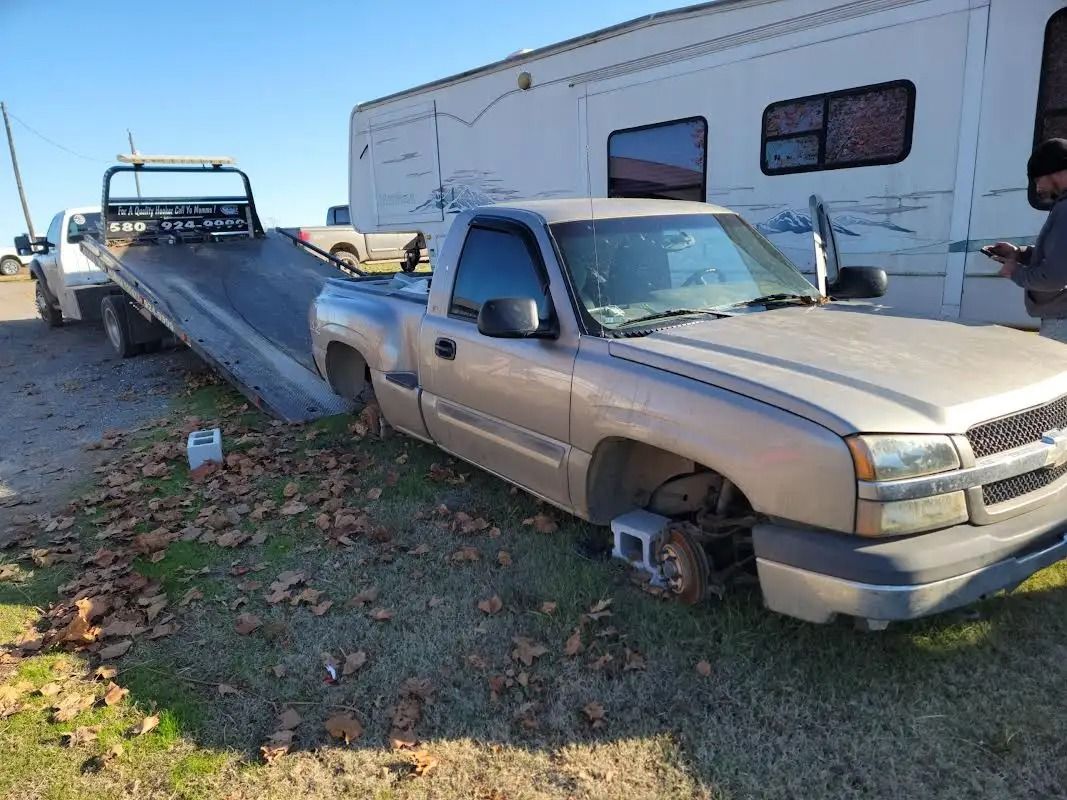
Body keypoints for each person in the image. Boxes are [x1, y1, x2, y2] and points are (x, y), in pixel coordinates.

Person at [989, 138, 1067, 342]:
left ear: (1055, 172)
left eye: (1037, 180)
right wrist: (1020, 254)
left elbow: (1055, 277)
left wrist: (1015, 271)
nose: (1038, 189)